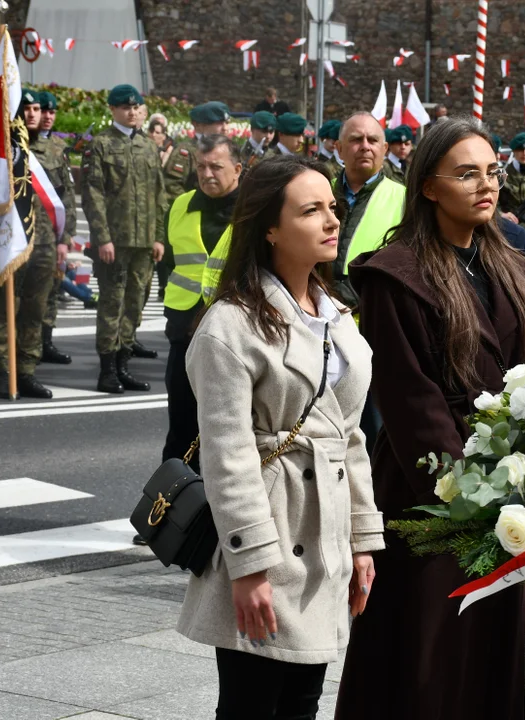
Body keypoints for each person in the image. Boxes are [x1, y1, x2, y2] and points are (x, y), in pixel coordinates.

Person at [337, 116, 525, 720]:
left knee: (486, 653)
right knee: (422, 655)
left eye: (492, 171)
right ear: (428, 186)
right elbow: (411, 400)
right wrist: (471, 490)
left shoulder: (515, 265)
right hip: (429, 494)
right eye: (466, 174)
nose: (486, 185)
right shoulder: (396, 274)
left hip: (508, 488)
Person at [177, 153, 383, 719]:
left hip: (324, 536)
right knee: (250, 705)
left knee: (302, 703)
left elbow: (351, 437)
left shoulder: (336, 313)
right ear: (269, 227)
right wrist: (249, 568)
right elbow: (229, 455)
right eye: (311, 210)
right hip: (269, 530)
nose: (332, 221)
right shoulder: (231, 324)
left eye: (332, 208)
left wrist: (363, 540)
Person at [161, 133, 242, 476]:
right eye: (201, 166)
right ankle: (167, 518)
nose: (207, 173)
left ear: (237, 169)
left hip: (235, 333)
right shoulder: (181, 204)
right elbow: (168, 263)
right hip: (185, 330)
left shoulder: (253, 210)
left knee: (231, 431)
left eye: (216, 167)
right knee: (180, 426)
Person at [81, 84, 166, 394]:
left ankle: (123, 363)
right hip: (114, 243)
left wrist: (158, 238)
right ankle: (107, 371)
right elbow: (93, 195)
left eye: (136, 106)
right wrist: (102, 238)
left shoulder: (147, 146)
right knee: (111, 303)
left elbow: (159, 195)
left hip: (143, 243)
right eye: (125, 107)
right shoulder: (101, 145)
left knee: (135, 303)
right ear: (113, 110)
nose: (132, 112)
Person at [0, 92, 58, 399]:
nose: (33, 114)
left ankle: (26, 372)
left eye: (37, 109)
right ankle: (4, 371)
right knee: (4, 312)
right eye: (26, 108)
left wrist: (63, 243)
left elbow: (59, 201)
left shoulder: (51, 151)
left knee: (34, 312)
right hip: (6, 244)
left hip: (43, 245)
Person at [329, 112, 406, 309]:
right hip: (313, 315)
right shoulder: (319, 191)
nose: (365, 146)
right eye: (355, 139)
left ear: (384, 149)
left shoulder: (405, 199)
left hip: (374, 318)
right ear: (339, 149)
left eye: (372, 140)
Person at [33, 91, 77, 366]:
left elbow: (68, 195)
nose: (48, 117)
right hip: (28, 231)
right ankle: (29, 344)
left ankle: (46, 342)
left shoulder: (60, 149)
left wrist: (66, 236)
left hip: (52, 232)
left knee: (51, 288)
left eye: (52, 112)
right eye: (43, 111)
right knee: (29, 293)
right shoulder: (22, 144)